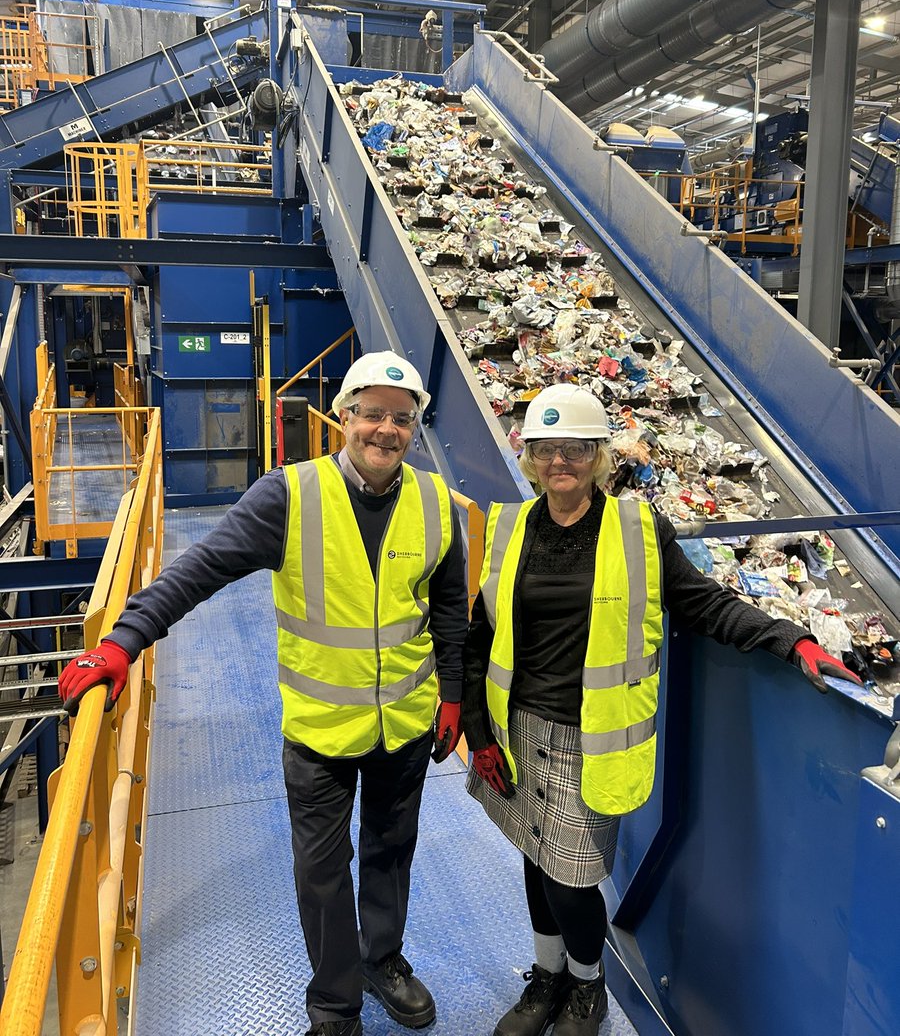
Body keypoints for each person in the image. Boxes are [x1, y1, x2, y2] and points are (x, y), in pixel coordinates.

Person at [59, 352, 468, 1036]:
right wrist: (122, 641)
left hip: (405, 721)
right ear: (344, 418)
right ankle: (335, 1005)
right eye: (372, 414)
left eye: (402, 418)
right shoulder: (291, 496)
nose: (385, 430)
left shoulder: (434, 501)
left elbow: (452, 607)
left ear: (414, 428)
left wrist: (452, 695)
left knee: (392, 851)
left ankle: (383, 959)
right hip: (319, 731)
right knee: (322, 873)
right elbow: (200, 569)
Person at [462, 383, 860, 1036]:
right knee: (534, 859)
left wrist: (791, 640)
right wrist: (477, 731)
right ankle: (547, 978)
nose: (559, 461)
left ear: (597, 457)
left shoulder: (637, 529)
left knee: (572, 880)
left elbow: (703, 603)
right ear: (528, 455)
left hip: (588, 740)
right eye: (546, 449)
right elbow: (482, 636)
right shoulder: (508, 528)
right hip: (517, 726)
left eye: (575, 449)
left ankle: (587, 986)